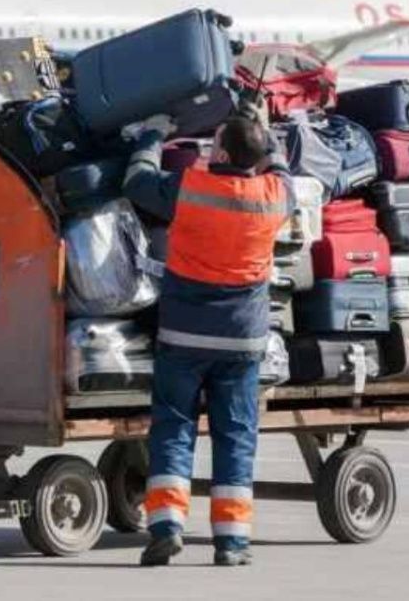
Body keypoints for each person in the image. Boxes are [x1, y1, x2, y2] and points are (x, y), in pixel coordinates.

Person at [122, 113, 292, 568]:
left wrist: (154, 133)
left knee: (174, 428)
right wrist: (263, 128)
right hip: (242, 341)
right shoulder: (275, 197)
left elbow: (137, 181)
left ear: (220, 154)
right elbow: (280, 167)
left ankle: (165, 527)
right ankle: (232, 542)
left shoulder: (190, 189)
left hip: (183, 334)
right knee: (235, 436)